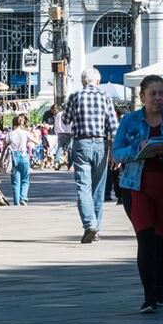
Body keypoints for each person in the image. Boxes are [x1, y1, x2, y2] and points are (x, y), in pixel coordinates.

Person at [112, 76, 163, 313]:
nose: (158, 98)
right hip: (137, 187)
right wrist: (138, 149)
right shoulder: (130, 120)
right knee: (145, 240)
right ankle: (148, 295)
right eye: (153, 93)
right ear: (142, 96)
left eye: (161, 93)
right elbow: (117, 153)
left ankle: (159, 286)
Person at [63, 67, 119, 243]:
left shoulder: (75, 96)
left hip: (81, 144)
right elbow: (113, 127)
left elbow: (65, 120)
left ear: (82, 81)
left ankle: (90, 225)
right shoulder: (105, 97)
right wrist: (115, 151)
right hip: (101, 145)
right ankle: (97, 228)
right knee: (98, 189)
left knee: (83, 187)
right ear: (98, 82)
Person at [7, 113, 39, 206]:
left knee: (15, 182)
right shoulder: (25, 133)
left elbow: (5, 147)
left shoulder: (9, 134)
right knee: (25, 179)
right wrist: (35, 132)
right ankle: (23, 198)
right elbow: (36, 141)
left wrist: (1, 160)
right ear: (22, 123)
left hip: (14, 157)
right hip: (24, 156)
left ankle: (16, 202)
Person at [105, 107, 128, 203]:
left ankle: (111, 194)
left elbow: (110, 140)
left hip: (116, 151)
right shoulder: (123, 124)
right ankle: (120, 196)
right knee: (117, 173)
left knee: (113, 173)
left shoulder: (115, 125)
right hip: (121, 151)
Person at [53, 105, 72, 170]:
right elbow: (71, 124)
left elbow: (56, 124)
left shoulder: (58, 115)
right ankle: (70, 163)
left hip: (60, 133)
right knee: (69, 148)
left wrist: (56, 132)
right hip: (68, 133)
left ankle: (56, 162)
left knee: (59, 148)